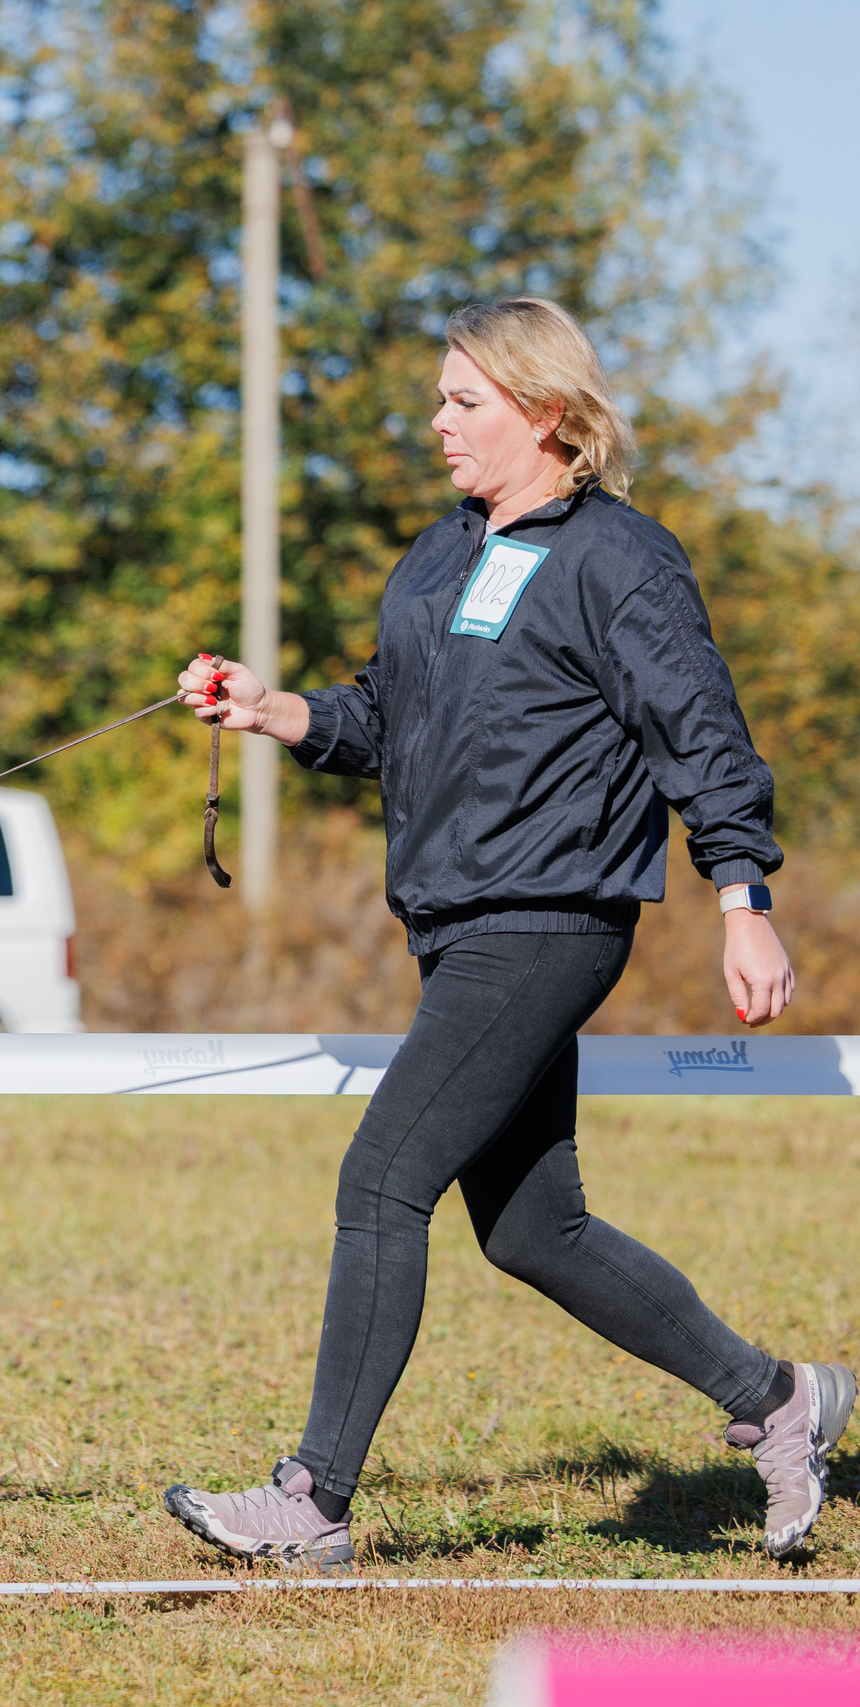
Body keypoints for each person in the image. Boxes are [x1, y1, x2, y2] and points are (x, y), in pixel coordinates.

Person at [162, 297, 851, 1567]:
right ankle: (780, 1400)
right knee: (535, 1230)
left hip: (548, 918)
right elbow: (386, 724)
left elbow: (701, 737)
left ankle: (311, 1504)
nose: (437, 423)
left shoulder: (619, 560)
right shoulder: (437, 558)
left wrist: (741, 900)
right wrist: (273, 711)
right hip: (453, 917)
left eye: (463, 401)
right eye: (439, 398)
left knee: (381, 1178)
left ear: (547, 413)